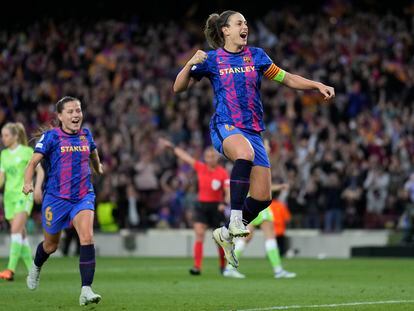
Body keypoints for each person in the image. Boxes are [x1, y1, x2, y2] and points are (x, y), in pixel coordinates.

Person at [173, 10, 335, 267]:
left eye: (246, 23)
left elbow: (288, 78)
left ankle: (225, 233)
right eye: (239, 23)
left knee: (262, 197)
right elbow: (178, 88)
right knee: (244, 154)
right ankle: (235, 218)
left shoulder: (257, 56)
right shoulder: (212, 60)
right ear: (225, 30)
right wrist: (189, 62)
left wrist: (316, 85)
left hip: (253, 131)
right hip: (225, 126)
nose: (244, 26)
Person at [22, 96, 104, 306]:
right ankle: (36, 266)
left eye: (78, 110)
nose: (76, 115)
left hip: (83, 196)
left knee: (87, 237)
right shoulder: (51, 137)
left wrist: (98, 166)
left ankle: (86, 289)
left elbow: (93, 153)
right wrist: (28, 183)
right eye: (70, 111)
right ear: (60, 116)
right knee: (51, 246)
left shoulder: (86, 135)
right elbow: (32, 164)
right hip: (56, 198)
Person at [159, 138, 229, 275]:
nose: (210, 159)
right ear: (205, 158)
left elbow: (228, 192)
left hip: (217, 207)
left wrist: (224, 203)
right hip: (202, 206)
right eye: (208, 157)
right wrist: (172, 146)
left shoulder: (223, 173)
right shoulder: (200, 167)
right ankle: (197, 267)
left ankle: (223, 266)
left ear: (217, 158)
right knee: (199, 234)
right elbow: (185, 157)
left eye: (213, 156)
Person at [223, 184, 296, 279]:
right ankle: (278, 270)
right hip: (259, 201)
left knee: (246, 237)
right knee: (270, 235)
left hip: (247, 203)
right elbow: (262, 184)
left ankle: (229, 268)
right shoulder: (255, 169)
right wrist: (279, 187)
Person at [0, 123, 42, 281]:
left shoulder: (27, 152)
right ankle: (33, 271)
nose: (3, 138)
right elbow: (2, 178)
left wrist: (37, 187)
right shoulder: (4, 155)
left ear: (15, 136)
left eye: (6, 135)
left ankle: (10, 270)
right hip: (9, 198)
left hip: (24, 195)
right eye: (2, 135)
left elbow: (40, 170)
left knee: (15, 231)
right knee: (21, 235)